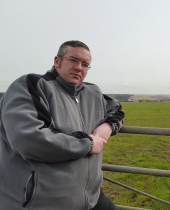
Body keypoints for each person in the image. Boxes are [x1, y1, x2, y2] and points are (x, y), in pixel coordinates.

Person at [0, 40, 125, 210]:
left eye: (85, 64)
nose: (79, 67)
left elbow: (116, 109)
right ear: (57, 61)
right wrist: (88, 144)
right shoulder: (32, 85)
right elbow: (29, 139)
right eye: (73, 60)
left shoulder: (92, 93)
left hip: (90, 198)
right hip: (42, 202)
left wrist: (107, 127)